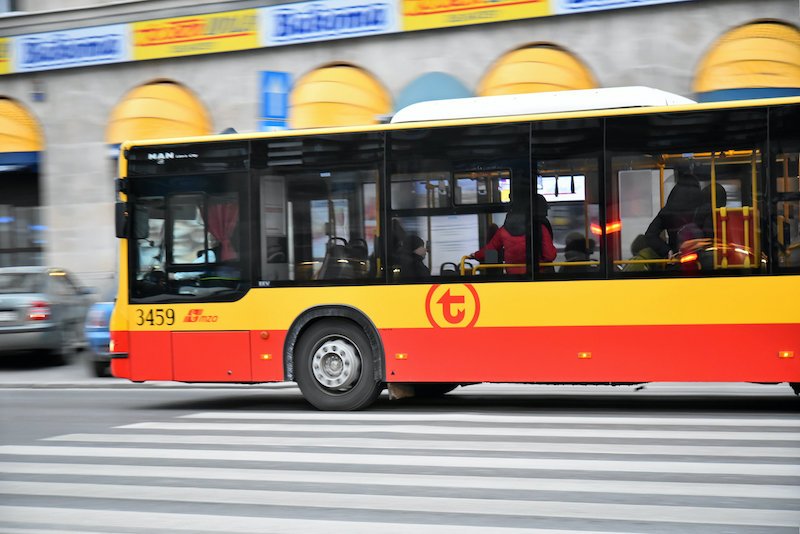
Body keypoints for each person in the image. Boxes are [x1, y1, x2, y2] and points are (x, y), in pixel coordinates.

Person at [644, 172, 703, 258]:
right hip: (698, 256)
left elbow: (650, 235)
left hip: (676, 256)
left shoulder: (668, 208)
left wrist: (667, 250)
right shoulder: (700, 200)